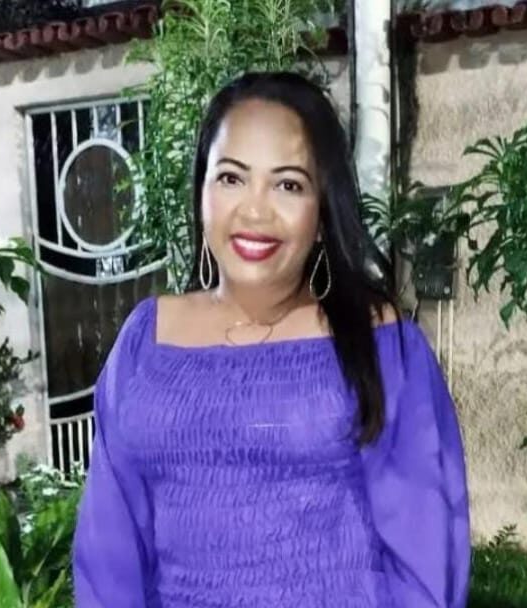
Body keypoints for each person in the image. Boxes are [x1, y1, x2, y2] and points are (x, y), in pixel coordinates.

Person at [72, 71, 470, 607]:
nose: (255, 211)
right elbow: (107, 559)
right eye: (231, 178)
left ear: (322, 212)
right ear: (202, 191)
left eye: (288, 185)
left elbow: (426, 564)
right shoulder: (146, 343)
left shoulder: (380, 345)